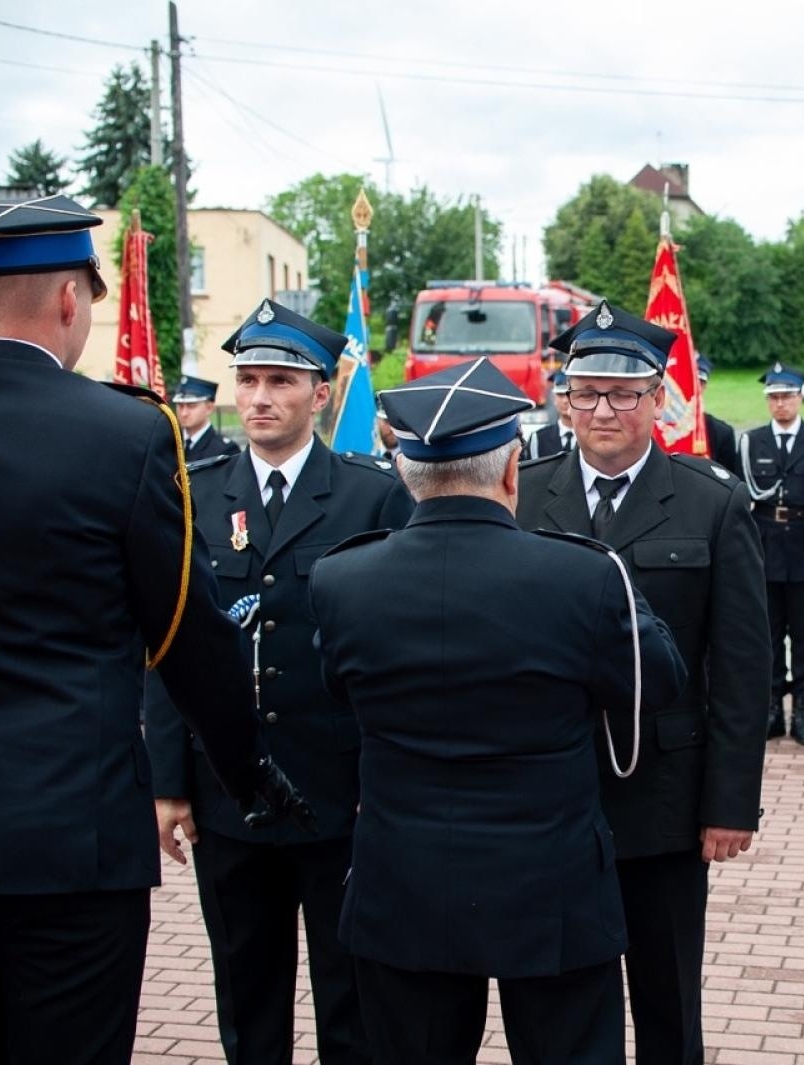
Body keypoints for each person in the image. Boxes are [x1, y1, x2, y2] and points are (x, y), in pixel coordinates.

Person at [0, 194, 308, 1065]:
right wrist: (247, 769)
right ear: (70, 299)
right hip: (68, 836)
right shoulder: (126, 433)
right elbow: (187, 635)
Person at [311, 357, 688, 1065]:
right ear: (514, 469)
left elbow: (339, 689)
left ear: (405, 473)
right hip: (551, 887)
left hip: (404, 883)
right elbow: (656, 682)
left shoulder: (341, 578)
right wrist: (615, 583)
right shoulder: (582, 575)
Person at [145, 299, 414, 1065]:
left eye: (281, 381)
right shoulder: (195, 492)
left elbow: (394, 650)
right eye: (248, 379)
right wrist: (168, 782)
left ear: (321, 393)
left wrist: (384, 778)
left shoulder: (372, 494)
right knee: (247, 994)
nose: (259, 397)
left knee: (350, 999)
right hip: (229, 793)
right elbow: (167, 640)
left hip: (339, 791)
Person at [518, 300, 769, 1065]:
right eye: (586, 391)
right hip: (549, 794)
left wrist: (729, 803)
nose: (603, 409)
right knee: (559, 999)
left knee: (667, 996)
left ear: (659, 397)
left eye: (624, 393)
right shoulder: (523, 493)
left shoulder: (712, 499)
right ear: (564, 398)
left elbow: (741, 666)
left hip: (665, 797)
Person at [739, 362, 804, 746]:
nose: (780, 403)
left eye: (786, 396)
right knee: (766, 637)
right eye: (774, 397)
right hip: (764, 550)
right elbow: (740, 508)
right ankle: (772, 710)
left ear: (800, 398)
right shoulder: (752, 442)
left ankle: (801, 711)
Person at [174, 374, 241, 459]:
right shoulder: (171, 443)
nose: (184, 413)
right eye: (180, 406)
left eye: (191, 406)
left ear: (209, 408)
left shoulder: (225, 450)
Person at [696, 354, 741, 472]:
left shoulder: (722, 433)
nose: (693, 387)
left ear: (704, 386)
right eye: (688, 380)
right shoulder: (658, 430)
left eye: (699, 382)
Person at [525, 368, 576, 459]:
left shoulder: (591, 438)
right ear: (554, 399)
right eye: (560, 395)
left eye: (570, 395)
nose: (565, 400)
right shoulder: (538, 438)